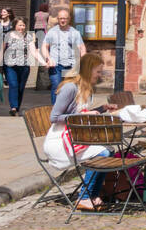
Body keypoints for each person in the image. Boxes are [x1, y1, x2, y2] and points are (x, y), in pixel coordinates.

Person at [43, 53, 119, 212]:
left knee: (109, 151)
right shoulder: (70, 87)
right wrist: (83, 115)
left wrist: (102, 109)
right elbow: (54, 117)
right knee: (103, 153)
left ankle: (92, 194)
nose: (99, 76)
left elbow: (83, 113)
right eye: (97, 72)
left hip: (75, 138)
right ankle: (84, 197)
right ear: (87, 70)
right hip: (59, 142)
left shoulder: (85, 88)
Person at [40, 7, 86, 102]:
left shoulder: (75, 33)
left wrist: (82, 62)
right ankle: (55, 111)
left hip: (71, 65)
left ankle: (68, 111)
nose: (63, 20)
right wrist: (48, 58)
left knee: (70, 89)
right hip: (55, 65)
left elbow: (82, 48)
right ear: (58, 19)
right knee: (57, 87)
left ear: (69, 19)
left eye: (65, 18)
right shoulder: (52, 32)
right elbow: (44, 46)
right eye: (61, 18)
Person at [1, 17, 43, 117]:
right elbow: (1, 51)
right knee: (13, 85)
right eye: (20, 25)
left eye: (23, 25)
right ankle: (13, 107)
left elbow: (34, 51)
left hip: (24, 67)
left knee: (20, 88)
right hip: (10, 65)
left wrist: (43, 62)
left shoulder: (28, 37)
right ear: (15, 25)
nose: (22, 27)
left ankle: (17, 107)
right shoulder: (8, 35)